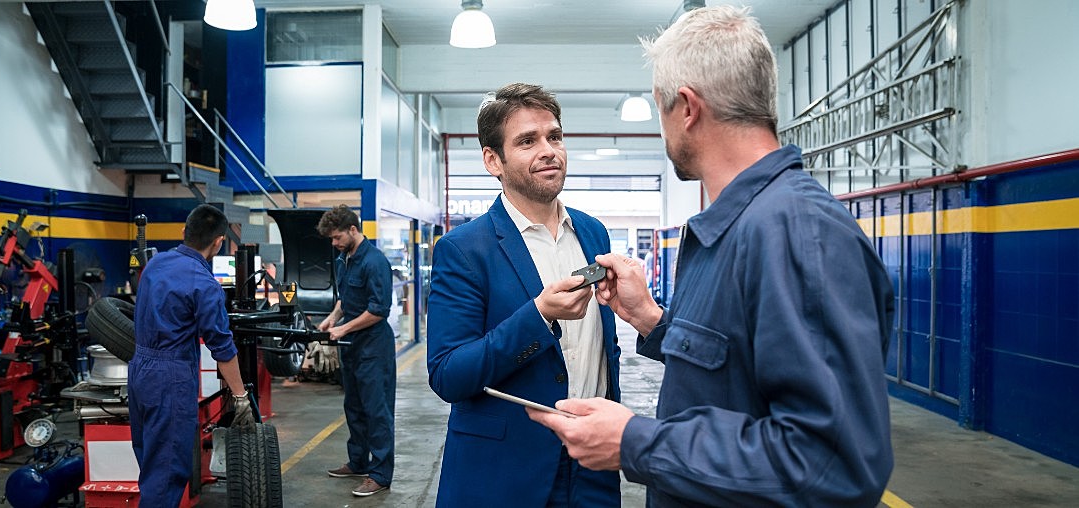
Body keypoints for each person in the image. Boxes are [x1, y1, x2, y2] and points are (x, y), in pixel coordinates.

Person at [527, 6, 896, 507]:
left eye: (660, 111)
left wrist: (634, 441)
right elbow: (734, 374)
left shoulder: (797, 233)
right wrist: (651, 319)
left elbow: (831, 465)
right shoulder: (730, 229)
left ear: (687, 108)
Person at [426, 83, 623, 506]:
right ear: (492, 160)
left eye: (554, 136)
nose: (549, 149)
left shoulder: (592, 232)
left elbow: (603, 347)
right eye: (527, 141)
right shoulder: (463, 249)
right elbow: (447, 374)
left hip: (593, 466)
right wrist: (538, 316)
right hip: (505, 472)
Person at [128, 204, 252, 507]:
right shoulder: (204, 283)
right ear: (219, 242)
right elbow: (222, 347)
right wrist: (240, 395)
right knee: (167, 471)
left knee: (150, 462)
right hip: (169, 378)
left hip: (139, 370)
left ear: (184, 231)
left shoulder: (155, 265)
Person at [315, 205, 396, 497]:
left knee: (378, 412)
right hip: (352, 346)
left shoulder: (375, 262)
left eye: (337, 237)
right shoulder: (343, 259)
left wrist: (344, 329)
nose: (333, 243)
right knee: (355, 408)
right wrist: (333, 318)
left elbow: (378, 310)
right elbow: (345, 298)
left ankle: (380, 475)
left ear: (353, 230)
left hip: (374, 347)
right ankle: (359, 461)